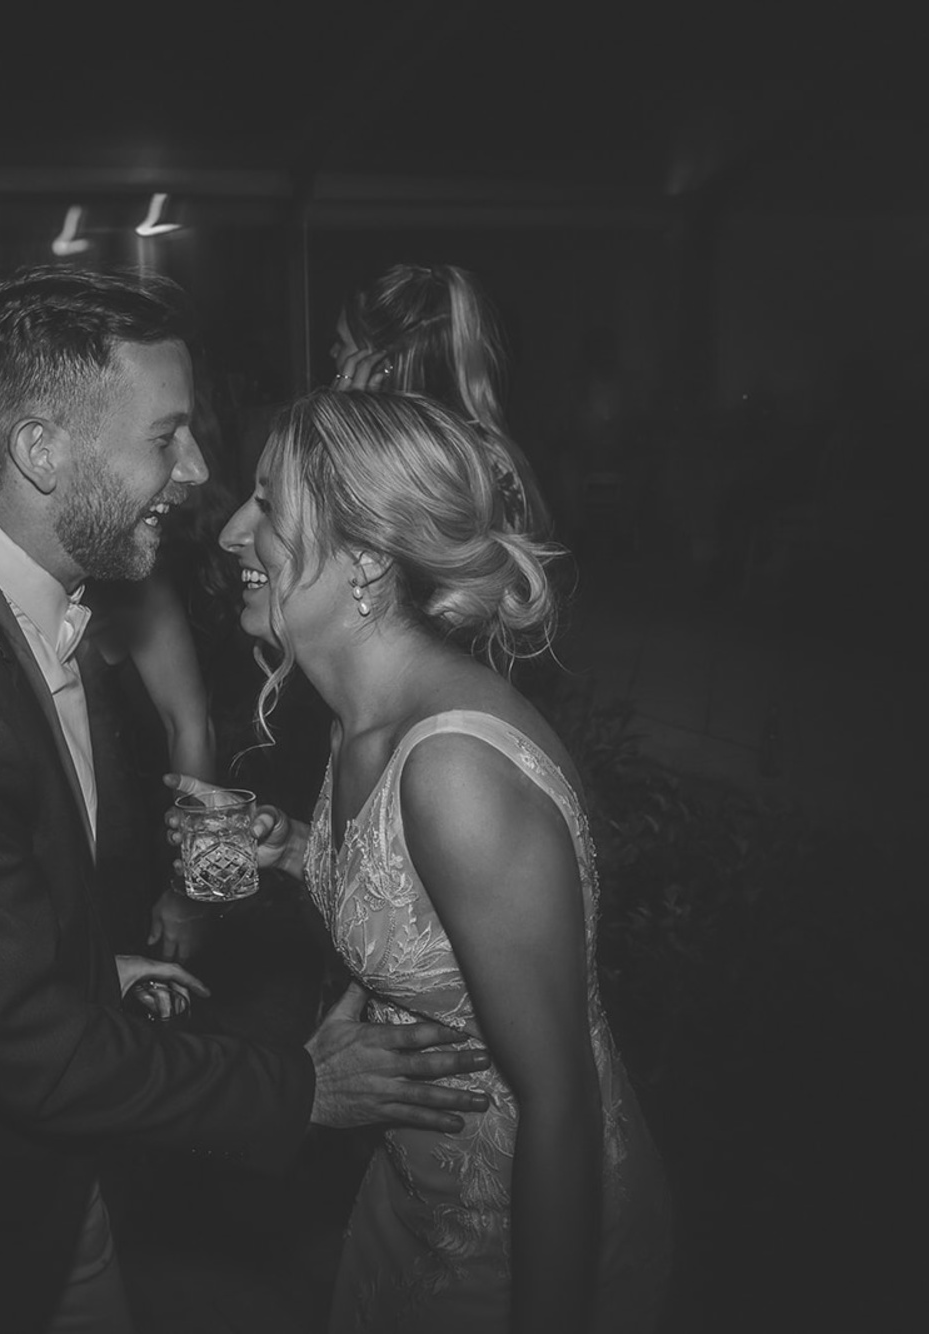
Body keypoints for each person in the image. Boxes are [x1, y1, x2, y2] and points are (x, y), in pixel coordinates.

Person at [0, 265, 496, 1334]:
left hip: (8, 1180)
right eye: (166, 437)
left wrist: (87, 960)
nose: (199, 470)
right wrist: (302, 1087)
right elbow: (27, 1050)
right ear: (42, 449)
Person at [183, 390, 672, 1332]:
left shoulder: (453, 769)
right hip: (409, 1202)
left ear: (366, 557)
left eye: (269, 507)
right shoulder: (359, 719)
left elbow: (559, 1102)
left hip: (523, 1235)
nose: (234, 533)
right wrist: (293, 849)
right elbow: (411, 909)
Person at [328, 263, 554, 539]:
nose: (332, 351)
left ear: (379, 365)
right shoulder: (479, 448)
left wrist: (338, 432)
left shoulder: (434, 466)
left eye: (341, 341)